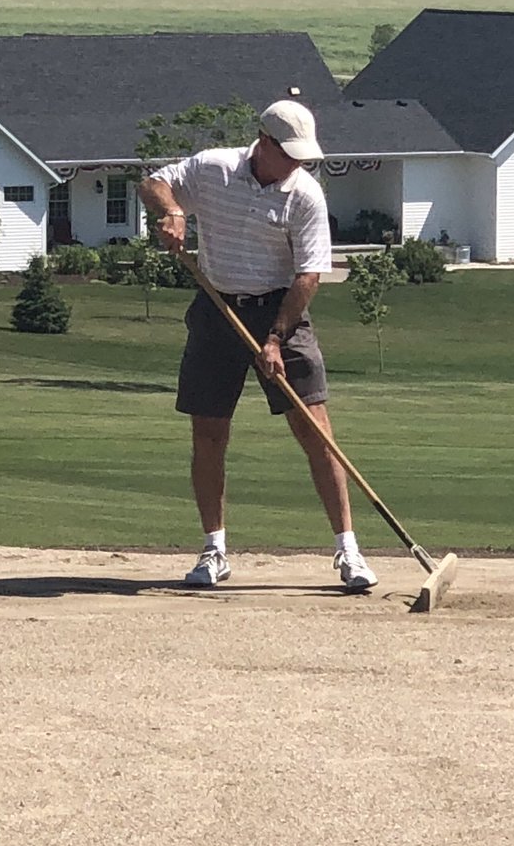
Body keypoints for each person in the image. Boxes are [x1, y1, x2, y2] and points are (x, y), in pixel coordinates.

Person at [138, 99, 377, 592]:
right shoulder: (212, 168)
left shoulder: (305, 195)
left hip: (280, 309)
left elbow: (309, 274)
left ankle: (349, 551)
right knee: (208, 433)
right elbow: (153, 183)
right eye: (288, 153)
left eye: (301, 156)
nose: (296, 163)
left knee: (315, 432)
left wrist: (274, 339)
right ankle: (214, 551)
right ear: (263, 142)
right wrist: (173, 212)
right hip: (217, 306)